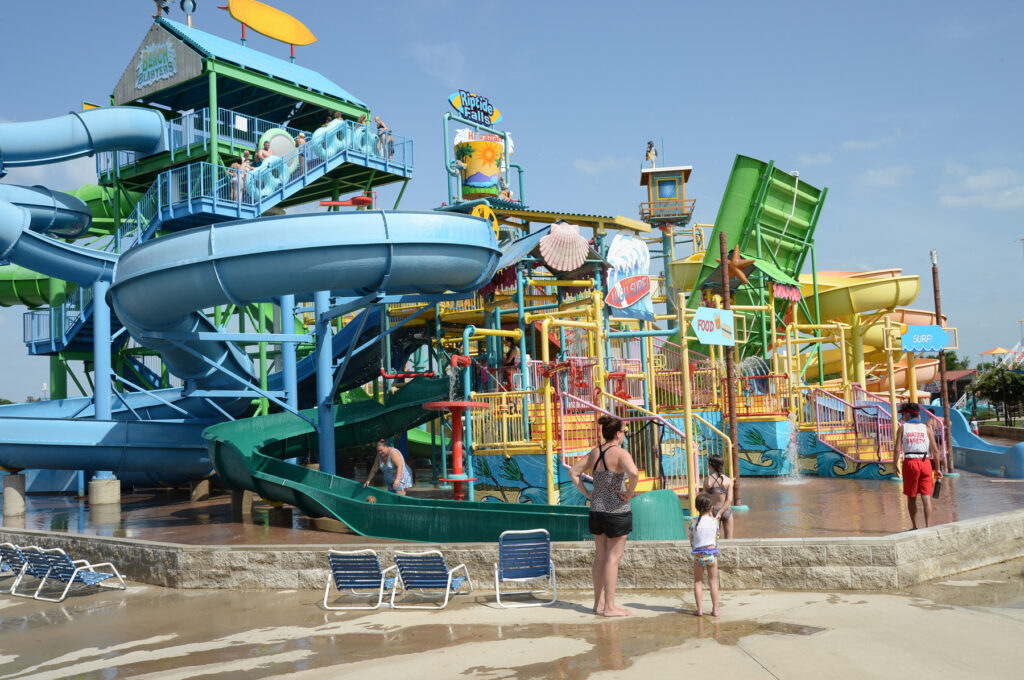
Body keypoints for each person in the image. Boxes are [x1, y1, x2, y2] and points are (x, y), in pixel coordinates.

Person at [569, 415, 640, 617]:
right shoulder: (620, 453)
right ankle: (609, 607)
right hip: (616, 512)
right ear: (618, 434)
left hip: (596, 511)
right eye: (624, 432)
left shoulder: (595, 452)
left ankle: (598, 604)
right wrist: (629, 493)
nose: (625, 435)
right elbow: (634, 474)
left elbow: (574, 472)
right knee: (612, 560)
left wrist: (587, 494)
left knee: (600, 558)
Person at [894, 403, 943, 529]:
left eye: (903, 413)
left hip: (910, 463)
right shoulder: (926, 429)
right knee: (926, 497)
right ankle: (928, 527)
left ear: (909, 414)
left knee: (912, 497)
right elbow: (935, 450)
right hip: (925, 462)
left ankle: (915, 527)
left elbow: (897, 449)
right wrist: (938, 469)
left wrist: (895, 466)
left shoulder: (903, 428)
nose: (902, 416)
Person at [688, 492, 721, 617]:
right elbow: (717, 537)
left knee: (698, 582)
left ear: (696, 508)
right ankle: (716, 609)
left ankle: (700, 609)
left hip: (698, 554)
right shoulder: (715, 522)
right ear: (711, 507)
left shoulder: (693, 522)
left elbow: (691, 539)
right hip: (712, 553)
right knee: (713, 582)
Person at [702, 455, 734, 538]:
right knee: (729, 541)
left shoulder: (707, 480)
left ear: (711, 465)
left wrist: (709, 513)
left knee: (714, 540)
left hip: (712, 512)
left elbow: (704, 499)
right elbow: (729, 500)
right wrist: (720, 513)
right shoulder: (728, 480)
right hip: (726, 510)